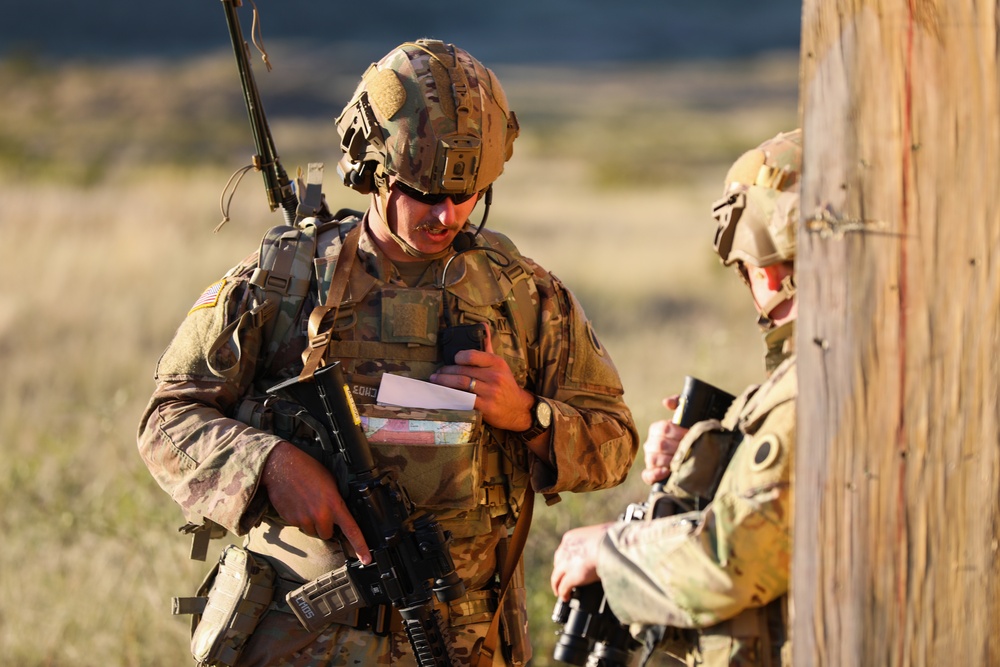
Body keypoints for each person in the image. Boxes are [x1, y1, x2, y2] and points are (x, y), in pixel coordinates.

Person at [138, 39, 639, 666]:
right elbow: (168, 420)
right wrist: (270, 465)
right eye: (425, 193)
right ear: (374, 170)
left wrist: (525, 415)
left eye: (468, 194)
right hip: (303, 639)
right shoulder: (287, 281)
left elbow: (616, 442)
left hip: (464, 643)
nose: (447, 214)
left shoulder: (524, 296)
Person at [550, 129, 802, 667]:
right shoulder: (847, 369)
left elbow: (732, 562)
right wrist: (710, 461)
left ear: (767, 269)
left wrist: (608, 551)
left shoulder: (816, 388)